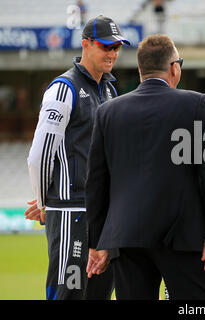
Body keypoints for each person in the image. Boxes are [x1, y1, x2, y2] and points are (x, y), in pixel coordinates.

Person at [84, 34, 205, 300]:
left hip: (125, 238)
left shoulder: (107, 112)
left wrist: (97, 242)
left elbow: (96, 183)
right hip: (182, 238)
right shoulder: (195, 103)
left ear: (141, 70)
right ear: (174, 67)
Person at [25, 15, 130, 300]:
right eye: (106, 46)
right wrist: (45, 202)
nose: (113, 53)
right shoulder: (63, 88)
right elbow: (40, 153)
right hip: (71, 211)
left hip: (104, 214)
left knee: (99, 293)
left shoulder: (109, 90)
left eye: (117, 47)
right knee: (68, 293)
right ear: (86, 44)